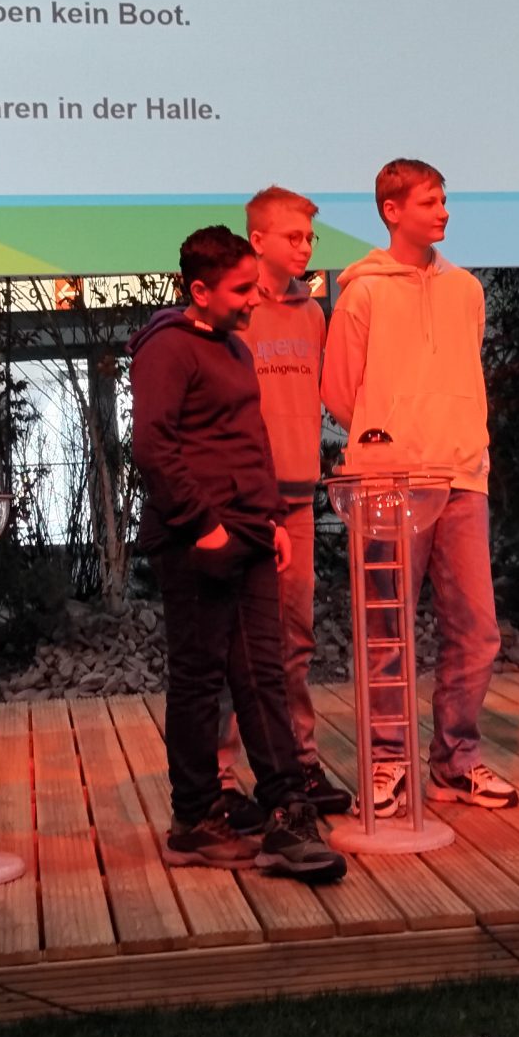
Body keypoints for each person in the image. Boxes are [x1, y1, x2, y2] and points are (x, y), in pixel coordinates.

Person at [130, 226, 348, 882]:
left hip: (249, 532)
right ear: (199, 290)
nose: (255, 299)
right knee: (200, 680)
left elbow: (249, 440)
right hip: (197, 542)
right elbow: (153, 446)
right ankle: (195, 819)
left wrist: (272, 518)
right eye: (241, 290)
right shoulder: (167, 347)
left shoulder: (233, 348)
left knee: (262, 675)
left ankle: (286, 813)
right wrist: (204, 526)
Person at [322, 159, 518, 815]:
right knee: (387, 627)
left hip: (461, 477)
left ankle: (455, 761)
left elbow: (461, 371)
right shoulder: (363, 293)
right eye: (430, 201)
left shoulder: (465, 288)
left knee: (478, 630)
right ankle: (387, 761)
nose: (444, 212)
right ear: (392, 210)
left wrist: (454, 437)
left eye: (444, 200)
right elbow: (338, 390)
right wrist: (389, 439)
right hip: (390, 483)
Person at [209, 186, 352, 821]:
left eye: (310, 238)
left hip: (296, 499)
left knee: (295, 640)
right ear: (258, 240)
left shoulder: (313, 313)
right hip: (242, 503)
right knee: (233, 641)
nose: (305, 247)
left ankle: (298, 762)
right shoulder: (236, 311)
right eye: (293, 237)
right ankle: (219, 774)